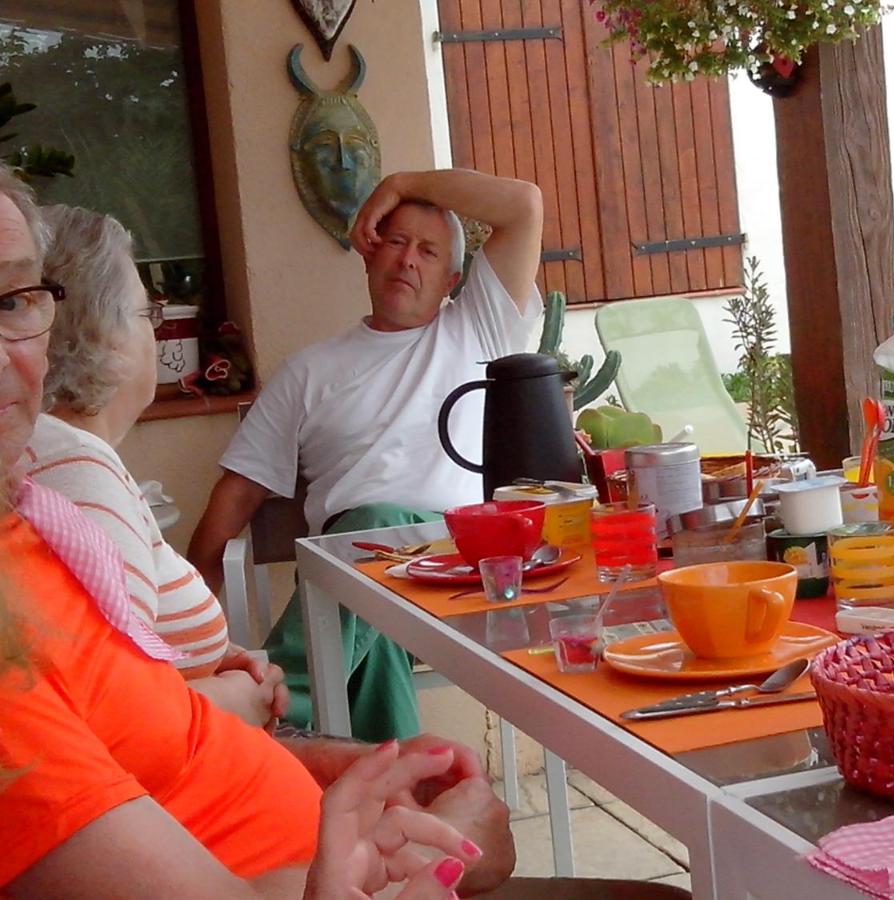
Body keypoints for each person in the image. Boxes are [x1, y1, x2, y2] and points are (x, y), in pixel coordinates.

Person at [0, 163, 487, 899]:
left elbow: (147, 721)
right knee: (373, 547)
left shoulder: (40, 523)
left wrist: (352, 773)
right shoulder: (74, 495)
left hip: (455, 562)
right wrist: (413, 855)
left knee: (374, 604)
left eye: (14, 301)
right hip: (361, 576)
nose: (406, 260)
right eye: (144, 312)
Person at [187, 168, 545, 741]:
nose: (408, 260)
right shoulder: (308, 372)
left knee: (373, 538)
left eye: (428, 251)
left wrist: (399, 184)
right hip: (349, 581)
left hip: (459, 568)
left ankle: (275, 702)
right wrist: (189, 614)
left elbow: (523, 204)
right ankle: (400, 782)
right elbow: (239, 491)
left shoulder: (479, 328)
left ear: (452, 278)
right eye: (396, 241)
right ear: (370, 256)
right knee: (373, 623)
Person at [26, 203, 286, 729]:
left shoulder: (60, 454)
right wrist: (234, 700)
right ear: (105, 335)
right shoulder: (78, 473)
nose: (156, 333)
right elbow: (112, 715)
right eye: (149, 315)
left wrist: (211, 658)